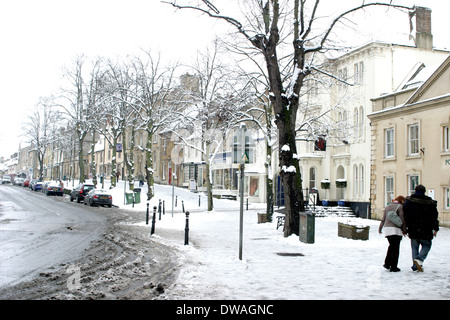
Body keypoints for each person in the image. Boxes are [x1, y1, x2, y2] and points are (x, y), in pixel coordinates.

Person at [403, 185, 439, 272]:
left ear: (415, 190)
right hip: (426, 228)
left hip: (413, 228)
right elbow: (434, 217)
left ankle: (416, 265)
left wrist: (406, 228)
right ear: (424, 191)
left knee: (414, 246)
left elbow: (405, 216)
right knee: (427, 245)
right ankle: (419, 259)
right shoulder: (430, 202)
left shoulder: (409, 201)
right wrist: (435, 228)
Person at [379, 195, 407, 272]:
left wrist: (380, 228)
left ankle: (387, 263)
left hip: (387, 230)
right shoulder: (400, 207)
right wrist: (404, 230)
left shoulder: (388, 206)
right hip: (396, 231)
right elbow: (402, 219)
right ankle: (393, 266)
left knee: (391, 246)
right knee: (395, 248)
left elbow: (383, 218)